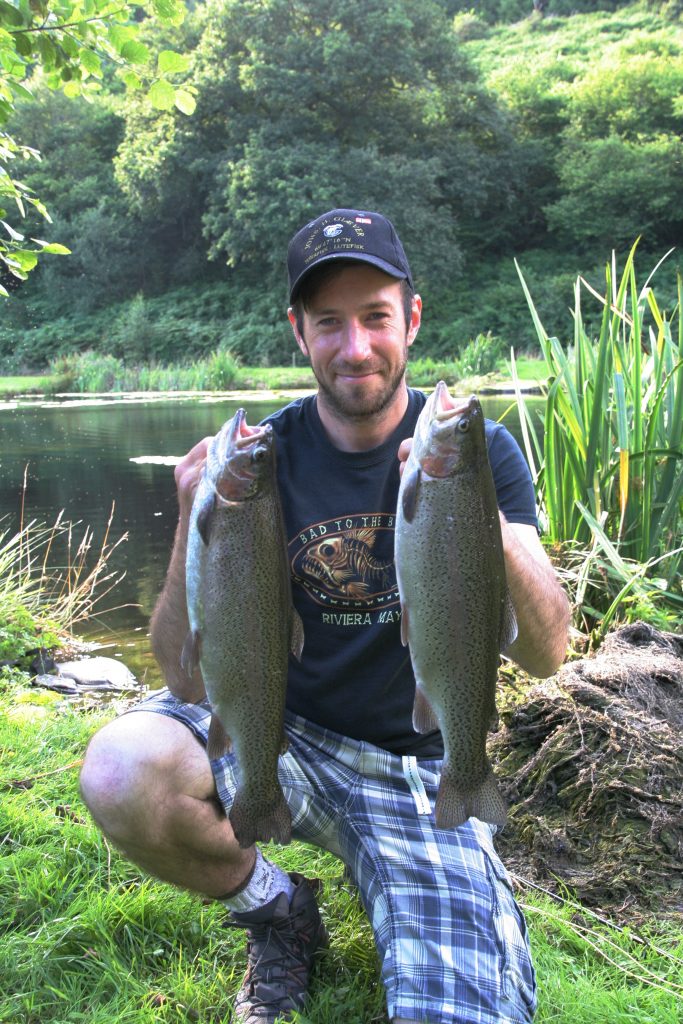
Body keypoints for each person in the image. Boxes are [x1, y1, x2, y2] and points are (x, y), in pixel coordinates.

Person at [80, 208, 570, 1024]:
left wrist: (466, 499)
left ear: (409, 319)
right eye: (329, 324)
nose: (355, 348)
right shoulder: (263, 455)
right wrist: (193, 522)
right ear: (297, 333)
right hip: (280, 731)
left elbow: (549, 654)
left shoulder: (488, 455)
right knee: (122, 766)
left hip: (418, 772)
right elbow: (181, 675)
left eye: (375, 317)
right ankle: (277, 912)